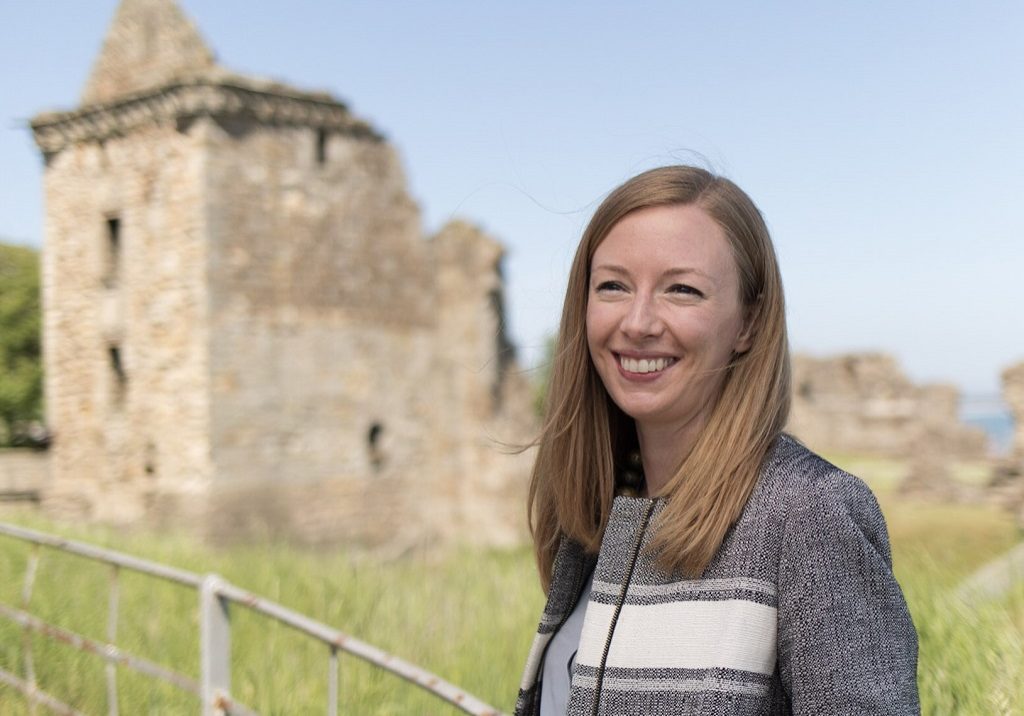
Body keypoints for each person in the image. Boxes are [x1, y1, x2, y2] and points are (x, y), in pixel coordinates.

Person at [515, 166, 919, 715]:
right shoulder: (597, 517)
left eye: (682, 289)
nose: (637, 322)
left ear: (748, 322)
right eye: (613, 285)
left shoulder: (808, 512)